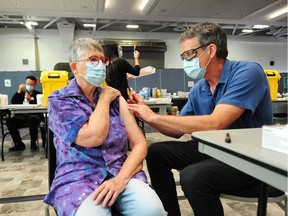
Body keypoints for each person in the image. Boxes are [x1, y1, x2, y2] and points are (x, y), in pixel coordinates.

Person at [128, 22, 273, 216]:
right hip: (216, 151)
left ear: (211, 50)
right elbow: (177, 130)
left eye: (189, 54)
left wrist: (153, 116)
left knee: (193, 177)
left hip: (250, 160)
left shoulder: (247, 72)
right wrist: (145, 114)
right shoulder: (200, 88)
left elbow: (216, 123)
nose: (185, 60)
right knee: (155, 153)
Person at [43, 38, 166, 216]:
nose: (100, 65)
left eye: (103, 60)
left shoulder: (117, 98)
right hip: (78, 177)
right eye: (93, 59)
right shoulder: (60, 101)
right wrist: (104, 99)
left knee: (153, 211)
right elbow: (93, 137)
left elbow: (139, 143)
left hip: (120, 172)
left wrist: (120, 180)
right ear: (75, 67)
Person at [7, 75, 44, 151]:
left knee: (33, 119)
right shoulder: (20, 94)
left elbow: (40, 105)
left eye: (31, 84)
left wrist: (31, 100)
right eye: (28, 84)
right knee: (10, 121)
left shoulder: (38, 94)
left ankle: (33, 144)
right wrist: (19, 91)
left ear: (35, 84)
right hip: (22, 116)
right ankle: (18, 144)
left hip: (35, 115)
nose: (29, 86)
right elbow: (13, 102)